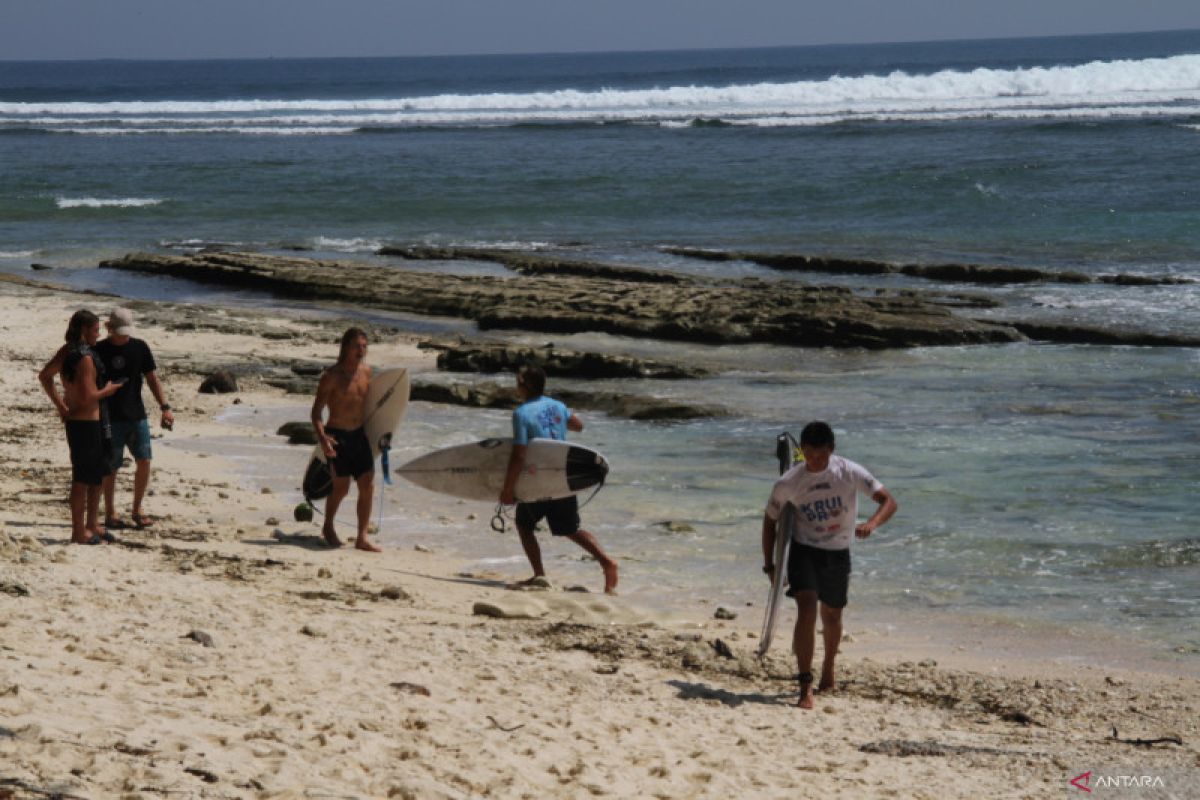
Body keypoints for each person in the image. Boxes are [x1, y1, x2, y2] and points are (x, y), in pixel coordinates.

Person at [761, 421, 897, 709]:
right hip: (804, 550)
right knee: (807, 609)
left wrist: (871, 524)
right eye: (809, 455)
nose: (815, 462)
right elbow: (770, 520)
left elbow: (888, 501)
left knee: (832, 616)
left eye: (821, 456)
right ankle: (805, 684)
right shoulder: (790, 482)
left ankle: (828, 669)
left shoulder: (848, 471)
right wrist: (770, 565)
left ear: (832, 450)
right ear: (802, 452)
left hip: (837, 552)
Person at [500, 364, 618, 594]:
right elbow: (578, 426)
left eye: (518, 382)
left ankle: (539, 575)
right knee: (571, 529)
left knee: (524, 525)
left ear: (527, 386)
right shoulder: (557, 406)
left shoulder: (522, 413)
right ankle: (606, 563)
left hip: (537, 479)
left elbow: (519, 455)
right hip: (563, 476)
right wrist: (556, 421)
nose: (516, 386)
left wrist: (508, 488)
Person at [38, 310, 121, 544]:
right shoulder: (84, 357)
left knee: (97, 474)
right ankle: (78, 532)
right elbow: (87, 397)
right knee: (83, 477)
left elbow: (45, 376)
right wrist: (109, 390)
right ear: (85, 330)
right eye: (96, 330)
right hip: (86, 423)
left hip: (87, 421)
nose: (99, 334)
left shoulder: (67, 351)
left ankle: (92, 524)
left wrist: (62, 406)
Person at [93, 308, 174, 530]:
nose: (123, 335)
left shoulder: (140, 347)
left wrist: (165, 407)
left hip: (137, 415)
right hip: (109, 416)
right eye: (119, 331)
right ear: (109, 328)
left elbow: (152, 379)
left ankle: (137, 508)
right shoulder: (98, 350)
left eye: (126, 331)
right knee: (111, 467)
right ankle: (110, 512)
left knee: (145, 460)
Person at [311, 327, 379, 552]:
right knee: (341, 489)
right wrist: (323, 439)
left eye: (364, 346)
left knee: (368, 485)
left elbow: (375, 408)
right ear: (346, 347)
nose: (361, 351)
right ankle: (328, 526)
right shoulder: (331, 376)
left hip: (360, 435)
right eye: (357, 346)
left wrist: (382, 435)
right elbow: (316, 412)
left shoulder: (367, 372)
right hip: (337, 436)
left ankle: (362, 537)